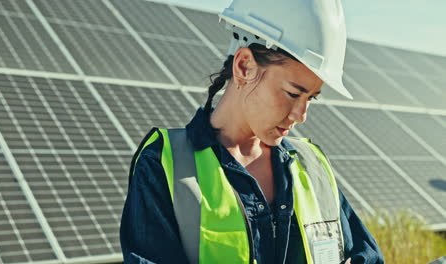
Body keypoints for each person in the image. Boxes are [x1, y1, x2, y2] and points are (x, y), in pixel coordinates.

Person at [120, 0, 384, 263]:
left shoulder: (312, 165)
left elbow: (366, 257)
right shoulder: (164, 164)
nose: (301, 116)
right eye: (293, 93)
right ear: (244, 66)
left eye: (311, 98)